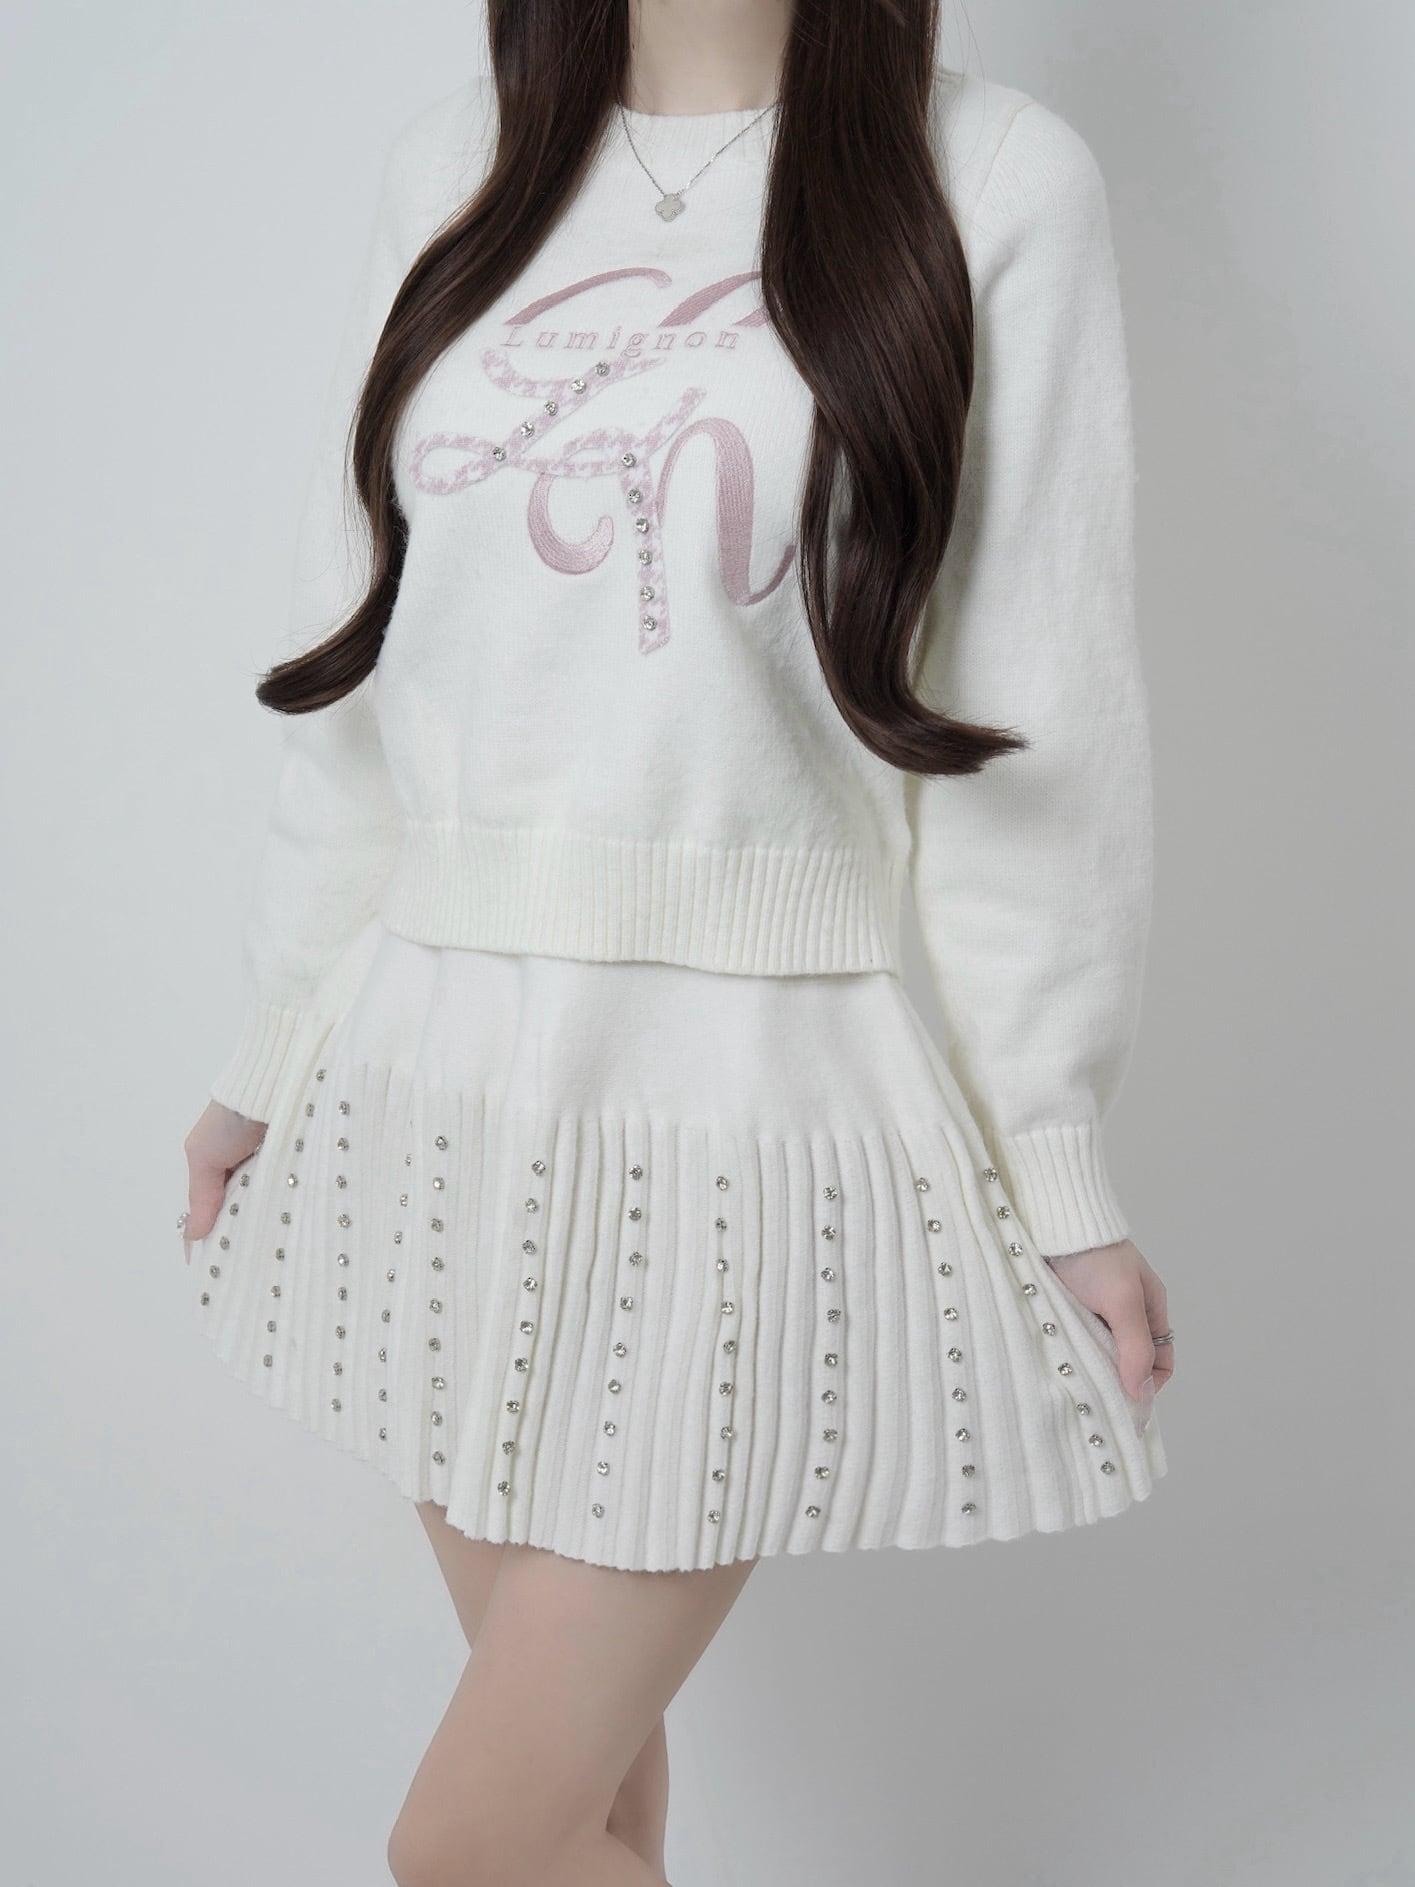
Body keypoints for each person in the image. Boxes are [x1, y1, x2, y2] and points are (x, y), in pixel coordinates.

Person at [179, 2, 1176, 1878]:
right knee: (593, 1811)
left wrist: (1051, 1150)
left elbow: (1041, 707)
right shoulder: (458, 162)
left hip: (743, 1110)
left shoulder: (993, 182)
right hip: (429, 1090)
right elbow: (363, 662)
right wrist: (269, 1050)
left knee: (472, 1846)